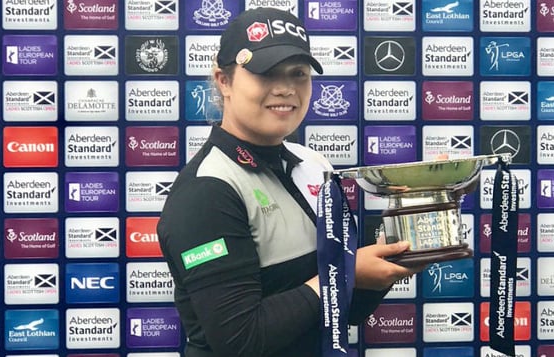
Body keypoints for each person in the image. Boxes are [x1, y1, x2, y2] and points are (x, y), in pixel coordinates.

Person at [158, 7, 422, 357]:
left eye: (298, 73)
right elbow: (241, 340)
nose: (285, 89)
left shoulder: (314, 165)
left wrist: (415, 221)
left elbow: (350, 309)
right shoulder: (207, 190)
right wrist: (343, 275)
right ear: (224, 81)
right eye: (265, 73)